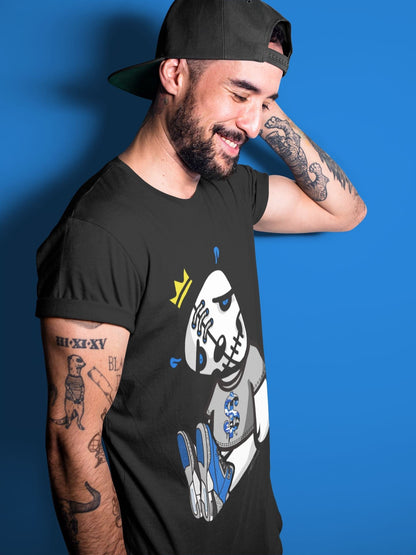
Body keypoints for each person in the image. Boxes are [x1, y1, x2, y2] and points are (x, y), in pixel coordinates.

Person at [36, 0, 366, 553]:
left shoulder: (229, 189)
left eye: (267, 103)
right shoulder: (99, 233)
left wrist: (257, 104)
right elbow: (74, 447)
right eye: (238, 94)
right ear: (174, 74)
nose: (253, 125)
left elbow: (346, 211)